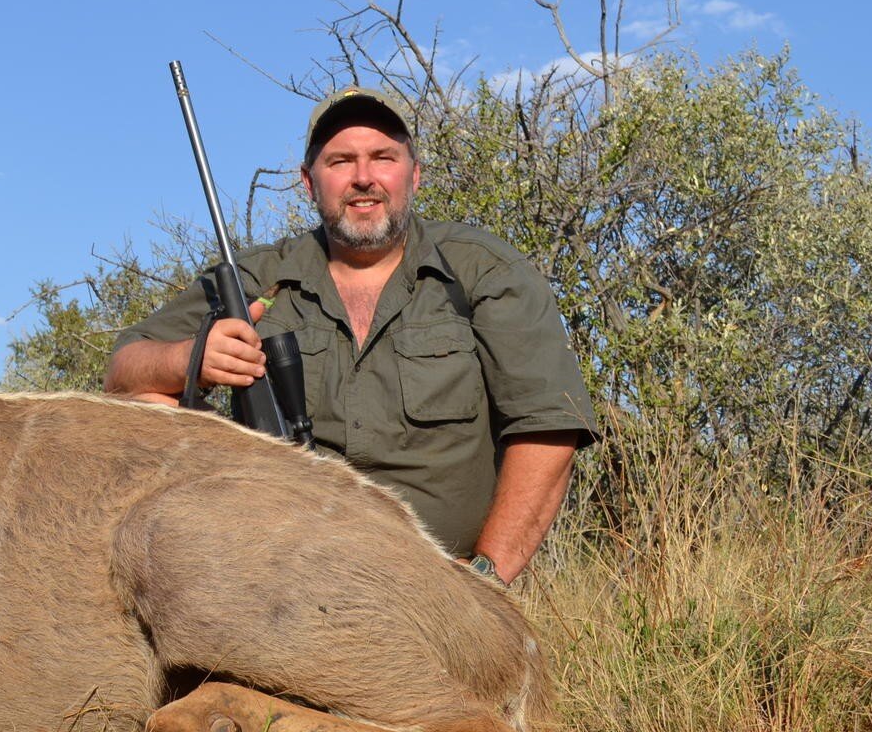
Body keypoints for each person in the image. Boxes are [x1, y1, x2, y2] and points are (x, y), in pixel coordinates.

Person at [104, 86, 595, 583]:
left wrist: (484, 578)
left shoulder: (483, 270)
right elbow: (123, 373)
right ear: (308, 183)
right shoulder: (253, 277)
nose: (363, 178)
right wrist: (191, 358)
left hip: (442, 585)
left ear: (415, 175)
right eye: (340, 161)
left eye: (383, 157)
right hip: (283, 576)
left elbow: (548, 427)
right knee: (147, 404)